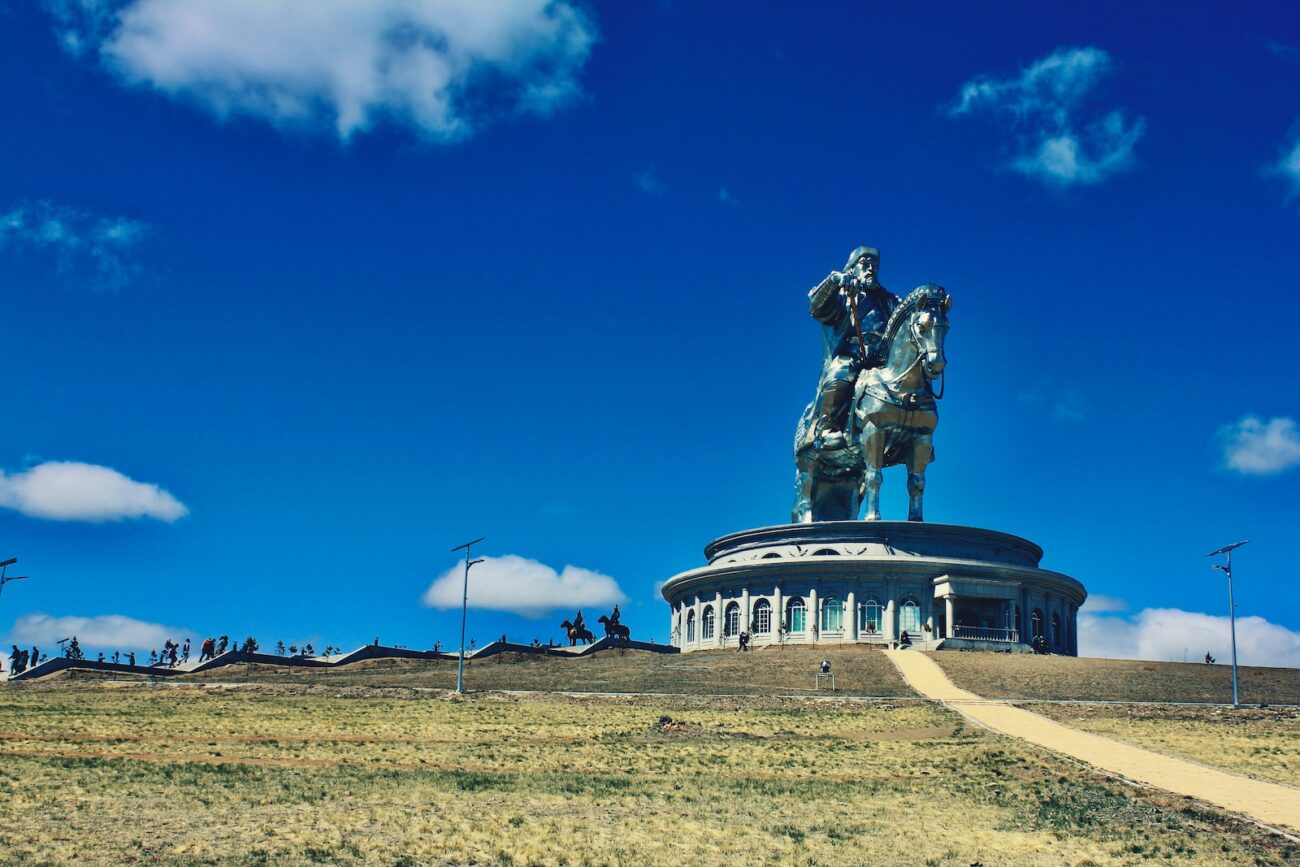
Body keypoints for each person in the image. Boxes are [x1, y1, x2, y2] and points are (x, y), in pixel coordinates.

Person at [807, 246, 901, 447]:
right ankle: (827, 427)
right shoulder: (843, 293)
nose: (870, 269)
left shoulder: (887, 300)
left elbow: (904, 317)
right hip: (853, 353)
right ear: (852, 268)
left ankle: (916, 431)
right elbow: (816, 307)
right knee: (840, 372)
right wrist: (835, 281)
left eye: (874, 266)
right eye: (864, 264)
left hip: (883, 358)